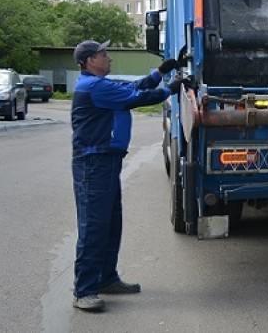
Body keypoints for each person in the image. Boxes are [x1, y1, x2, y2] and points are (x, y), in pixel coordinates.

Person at [70, 39, 187, 311]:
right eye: (104, 55)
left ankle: (106, 278)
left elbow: (132, 87)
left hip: (106, 162)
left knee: (111, 223)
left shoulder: (100, 84)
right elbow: (136, 97)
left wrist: (160, 72)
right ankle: (84, 291)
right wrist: (169, 89)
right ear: (91, 61)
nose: (109, 58)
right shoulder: (93, 87)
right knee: (94, 228)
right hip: (94, 163)